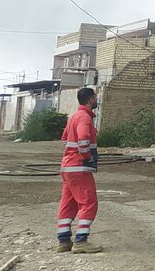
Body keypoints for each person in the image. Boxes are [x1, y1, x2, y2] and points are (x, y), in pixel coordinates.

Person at [56, 87, 102, 254]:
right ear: (90, 99)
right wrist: (88, 157)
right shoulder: (84, 118)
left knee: (68, 204)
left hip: (67, 168)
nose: (96, 99)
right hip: (79, 168)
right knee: (89, 202)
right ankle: (81, 241)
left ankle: (64, 241)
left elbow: (64, 140)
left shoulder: (73, 116)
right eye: (95, 97)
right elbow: (83, 141)